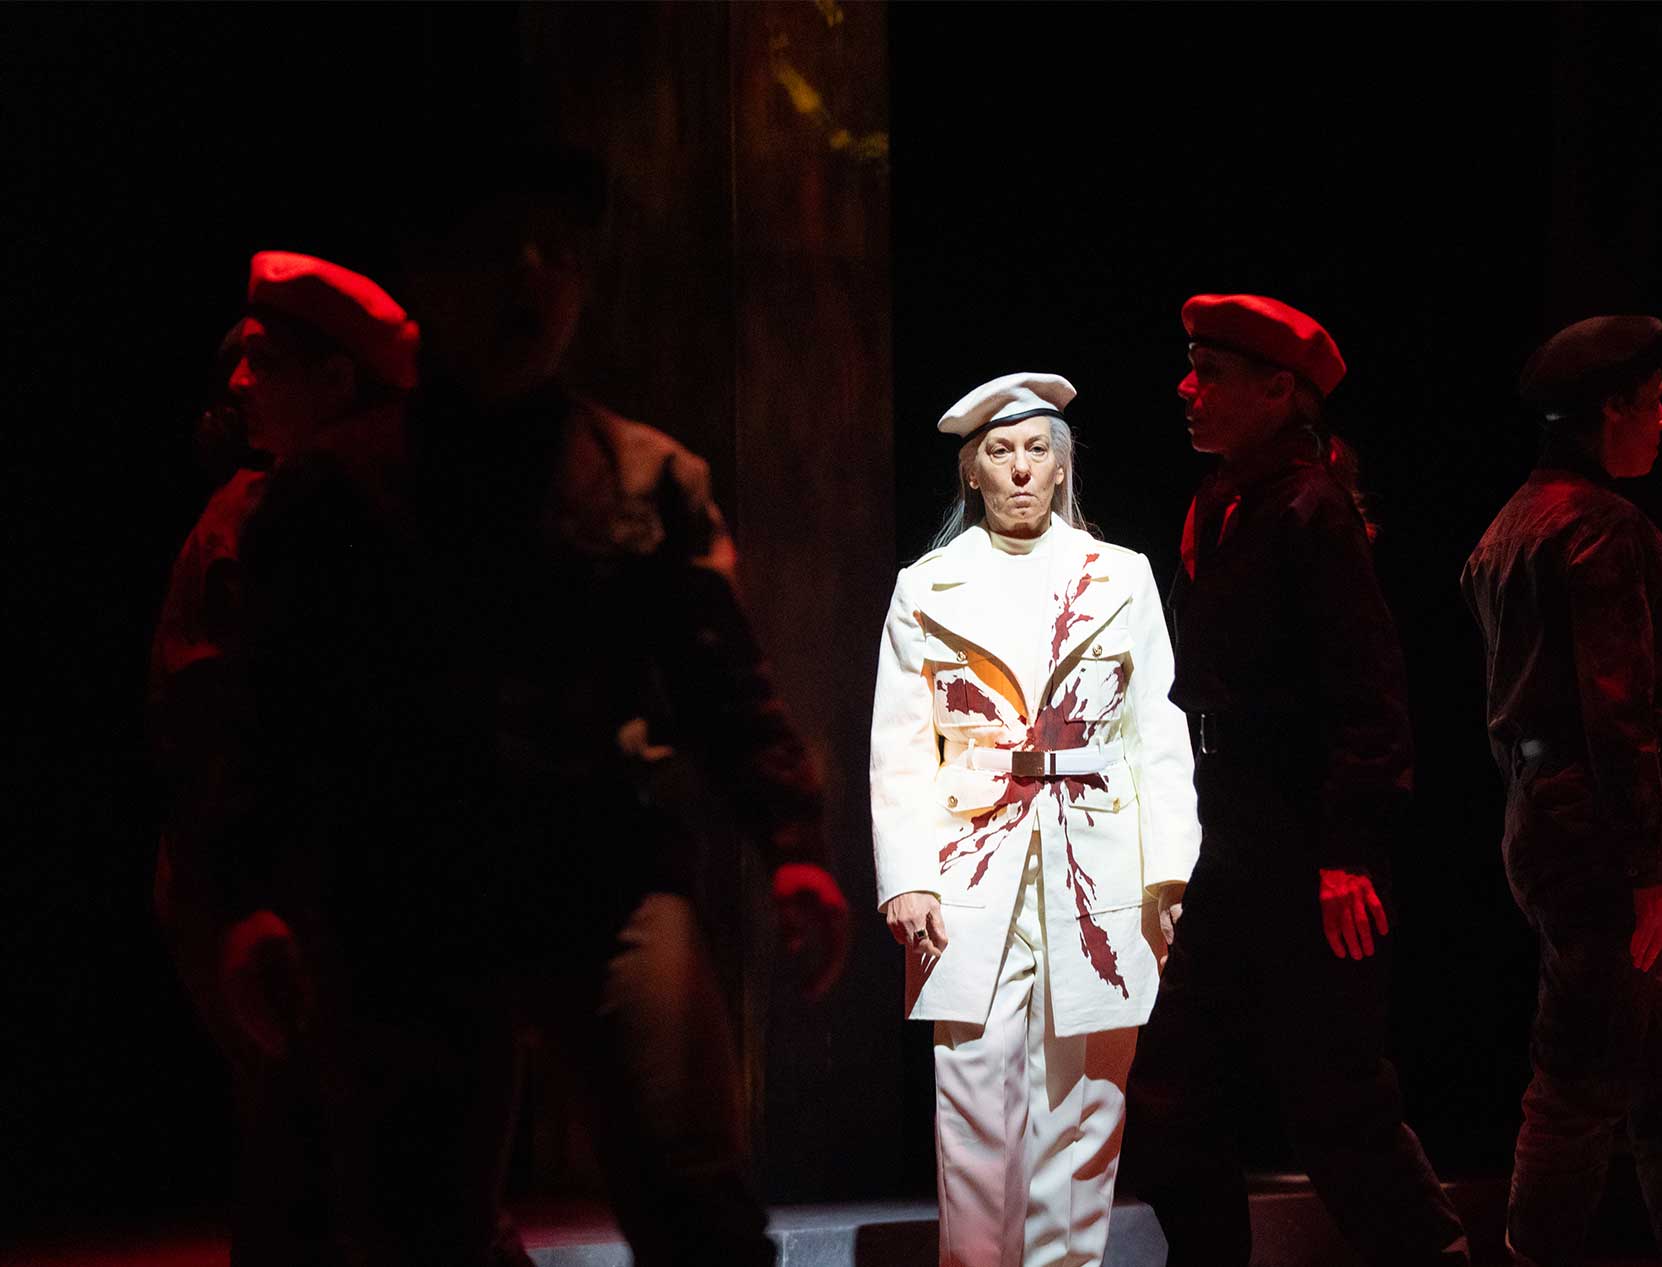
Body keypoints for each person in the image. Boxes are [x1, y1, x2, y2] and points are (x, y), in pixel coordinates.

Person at [213, 142, 851, 1266]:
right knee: (416, 1221)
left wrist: (795, 847)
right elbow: (269, 710)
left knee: (695, 1191)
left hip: (605, 872)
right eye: (497, 251)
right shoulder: (334, 491)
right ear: (430, 274)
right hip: (407, 889)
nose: (530, 279)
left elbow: (727, 684)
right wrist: (248, 897)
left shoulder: (646, 475)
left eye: (556, 253)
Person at [1124, 295, 1469, 1266]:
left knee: (1337, 1106)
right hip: (1235, 842)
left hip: (1306, 844)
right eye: (1190, 368)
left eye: (1210, 374)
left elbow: (1370, 695)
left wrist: (1348, 851)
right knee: (1170, 1098)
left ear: (1278, 391)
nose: (1187, 389)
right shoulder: (1222, 502)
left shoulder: (1313, 510)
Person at [869, 371, 1201, 1266]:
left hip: (1098, 869)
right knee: (973, 1112)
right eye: (1000, 452)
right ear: (972, 471)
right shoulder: (928, 586)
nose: (1020, 468)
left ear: (1061, 466)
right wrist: (907, 876)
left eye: (1035, 450)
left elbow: (1156, 729)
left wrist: (1168, 869)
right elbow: (901, 742)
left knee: (1084, 1115)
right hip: (971, 869)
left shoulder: (1120, 576)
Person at [148, 252, 420, 1263]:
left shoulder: (380, 515)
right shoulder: (247, 523)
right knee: (304, 1143)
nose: (236, 382)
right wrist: (246, 893)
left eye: (262, 361)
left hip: (337, 894)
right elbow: (206, 726)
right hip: (264, 892)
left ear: (336, 380)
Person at [1460, 316, 1662, 1267]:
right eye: (1651, 403)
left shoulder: (1507, 528)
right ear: (1609, 410)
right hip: (1594, 829)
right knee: (1588, 1076)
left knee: (1660, 1070)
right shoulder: (1603, 530)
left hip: (1538, 814)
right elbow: (1618, 716)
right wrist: (1646, 875)